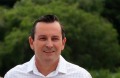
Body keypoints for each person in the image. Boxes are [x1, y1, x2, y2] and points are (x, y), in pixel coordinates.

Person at [4, 14, 92, 78]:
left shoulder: (82, 76)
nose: (49, 45)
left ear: (63, 43)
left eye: (54, 38)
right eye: (43, 38)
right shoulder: (13, 75)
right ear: (31, 42)